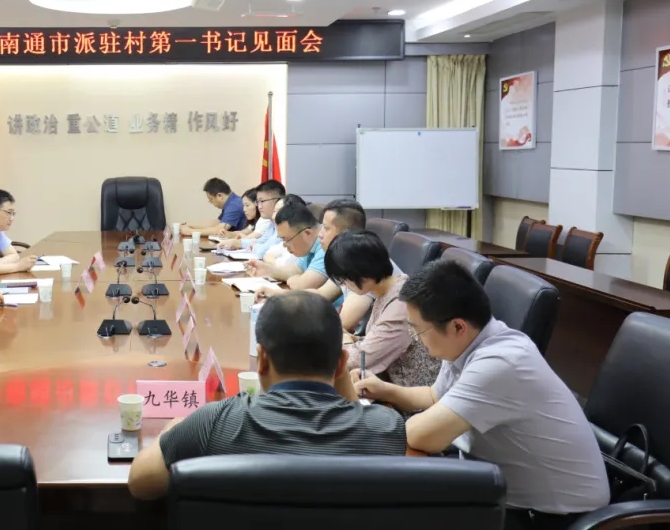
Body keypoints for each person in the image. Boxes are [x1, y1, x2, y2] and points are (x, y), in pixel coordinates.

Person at [352, 260, 609, 530]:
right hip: (507, 498)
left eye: (418, 330)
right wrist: (385, 390)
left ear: (457, 326)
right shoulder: (470, 342)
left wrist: (368, 419)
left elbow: (420, 436)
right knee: (399, 516)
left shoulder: (501, 363)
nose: (416, 338)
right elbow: (435, 397)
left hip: (558, 526)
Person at [127, 291, 406, 500]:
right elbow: (359, 416)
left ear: (261, 359)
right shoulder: (385, 428)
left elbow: (139, 482)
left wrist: (174, 429)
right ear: (342, 364)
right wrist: (337, 367)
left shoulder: (213, 423)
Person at [325, 230, 439, 388]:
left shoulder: (402, 303)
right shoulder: (390, 289)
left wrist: (344, 338)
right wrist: (355, 340)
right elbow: (379, 340)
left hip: (409, 393)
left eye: (344, 278)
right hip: (390, 382)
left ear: (361, 271)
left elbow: (360, 360)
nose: (344, 284)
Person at [314, 198, 402, 331]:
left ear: (345, 234)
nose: (320, 234)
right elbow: (321, 295)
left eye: (326, 228)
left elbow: (343, 325)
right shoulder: (346, 259)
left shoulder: (363, 267)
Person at [249, 203, 337, 302]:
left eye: (286, 239)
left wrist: (294, 280)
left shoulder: (326, 245)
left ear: (307, 233)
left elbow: (304, 285)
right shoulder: (310, 244)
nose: (284, 245)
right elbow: (296, 270)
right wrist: (268, 270)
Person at [180, 178, 247, 236]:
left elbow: (219, 230)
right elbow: (216, 223)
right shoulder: (232, 202)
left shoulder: (234, 205)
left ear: (219, 196)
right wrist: (190, 224)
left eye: (211, 199)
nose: (211, 202)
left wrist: (190, 232)